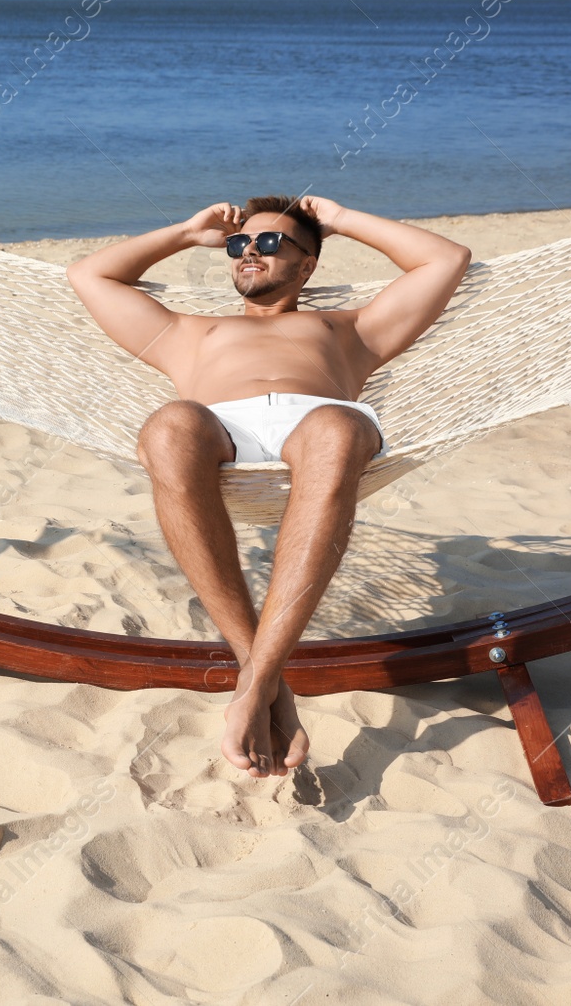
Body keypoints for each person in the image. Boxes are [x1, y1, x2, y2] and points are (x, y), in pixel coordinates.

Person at [65, 195, 471, 779]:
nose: (249, 249)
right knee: (166, 425)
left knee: (339, 426)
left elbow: (445, 259)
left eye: (271, 242)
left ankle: (253, 683)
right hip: (218, 430)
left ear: (308, 266)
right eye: (239, 244)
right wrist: (186, 232)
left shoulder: (350, 329)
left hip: (318, 424)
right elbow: (90, 274)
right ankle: (261, 677)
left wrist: (341, 221)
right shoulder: (187, 332)